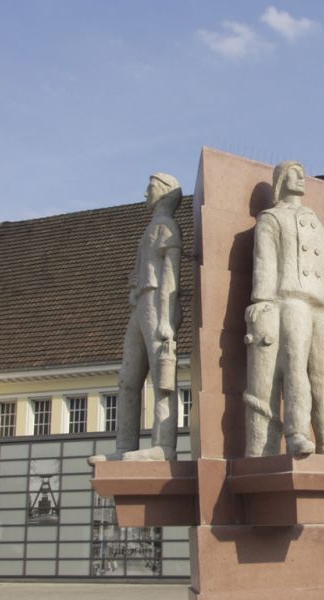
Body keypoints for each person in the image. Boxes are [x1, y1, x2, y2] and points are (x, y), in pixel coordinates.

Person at [244, 160, 324, 457]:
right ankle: (296, 434)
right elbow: (264, 263)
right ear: (280, 181)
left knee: (322, 372)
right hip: (290, 298)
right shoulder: (271, 218)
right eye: (294, 173)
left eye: (303, 173)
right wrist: (263, 301)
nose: (301, 177)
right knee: (295, 365)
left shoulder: (312, 217)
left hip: (318, 301)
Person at [89, 173, 183, 464]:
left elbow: (171, 275)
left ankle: (163, 445)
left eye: (151, 187)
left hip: (157, 302)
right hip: (141, 302)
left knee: (161, 377)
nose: (145, 193)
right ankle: (124, 445)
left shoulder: (167, 227)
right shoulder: (151, 227)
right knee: (128, 377)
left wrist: (167, 318)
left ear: (165, 192)